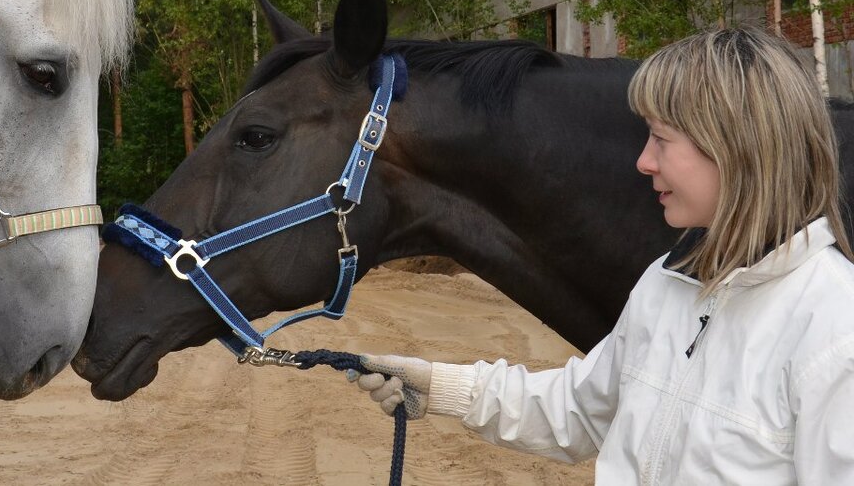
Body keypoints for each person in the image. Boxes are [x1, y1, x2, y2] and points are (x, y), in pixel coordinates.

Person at [350, 26, 854, 484]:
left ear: (737, 147)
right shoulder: (668, 282)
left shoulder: (833, 328)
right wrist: (441, 386)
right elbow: (579, 408)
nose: (643, 161)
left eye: (660, 139)